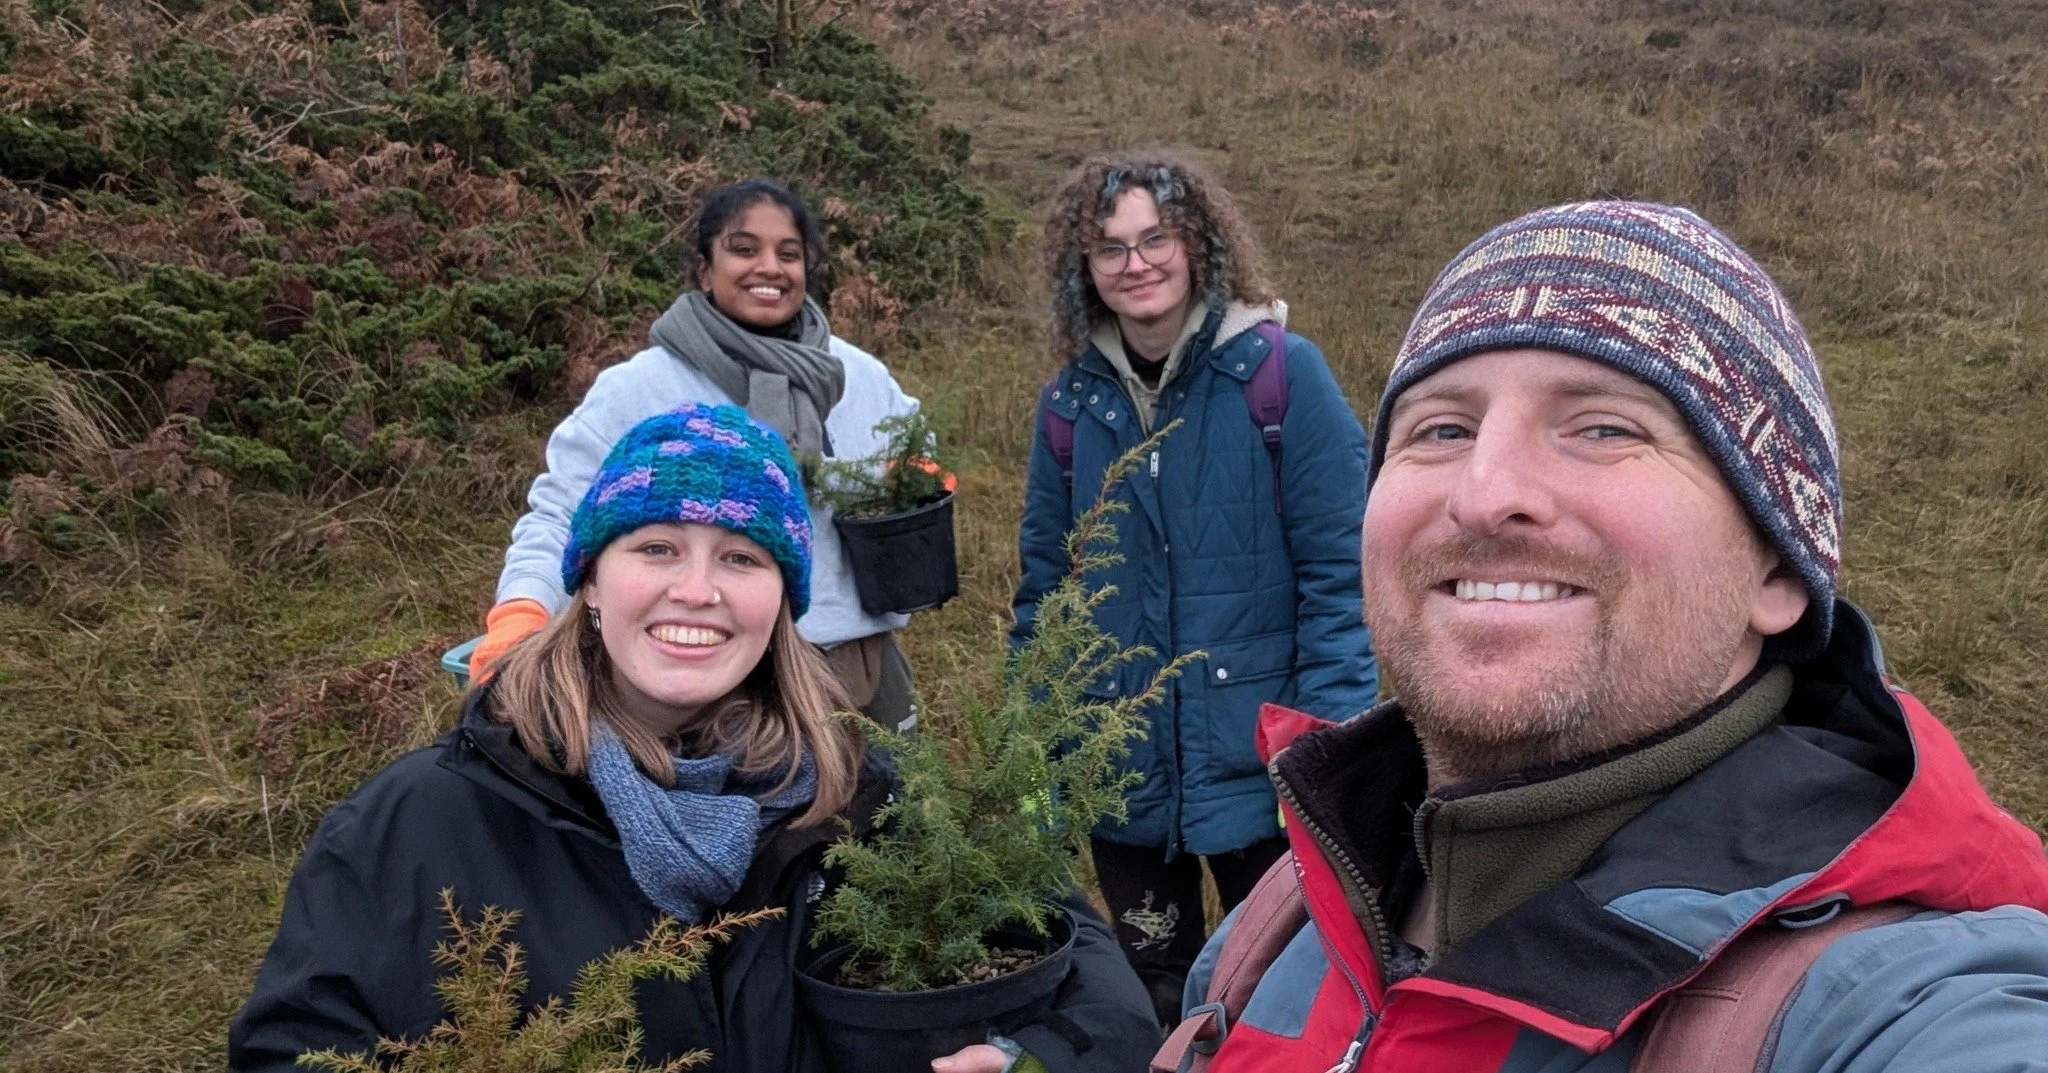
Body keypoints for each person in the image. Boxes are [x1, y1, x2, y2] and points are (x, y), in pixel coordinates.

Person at [1171, 201, 2048, 1073]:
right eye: (1442, 427)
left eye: (1603, 427)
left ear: (1777, 569)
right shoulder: (1280, 922)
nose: (1484, 492)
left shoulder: (1896, 1004)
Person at [230, 404, 1155, 1073]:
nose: (699, 591)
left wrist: (1030, 1058)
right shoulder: (417, 825)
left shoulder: (861, 795)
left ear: (781, 605)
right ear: (590, 581)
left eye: (742, 559)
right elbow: (292, 1049)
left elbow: (1094, 974)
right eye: (657, 547)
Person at [1014, 150, 1379, 1026]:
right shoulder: (1068, 409)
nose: (1135, 264)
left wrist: (1325, 754)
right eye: (1109, 248)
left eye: (1156, 238)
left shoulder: (1282, 377)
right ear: (1085, 268)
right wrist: (1036, 755)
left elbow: (1343, 577)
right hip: (1123, 773)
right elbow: (1045, 594)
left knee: (1289, 989)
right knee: (1152, 988)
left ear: (1199, 245)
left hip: (1263, 766)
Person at [475, 178, 922, 735]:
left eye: (789, 253)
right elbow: (561, 514)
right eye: (743, 248)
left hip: (860, 656)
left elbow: (914, 462)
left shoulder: (859, 377)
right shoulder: (641, 390)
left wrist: (914, 494)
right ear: (706, 269)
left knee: (898, 810)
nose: (769, 267)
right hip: (714, 667)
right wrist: (522, 612)